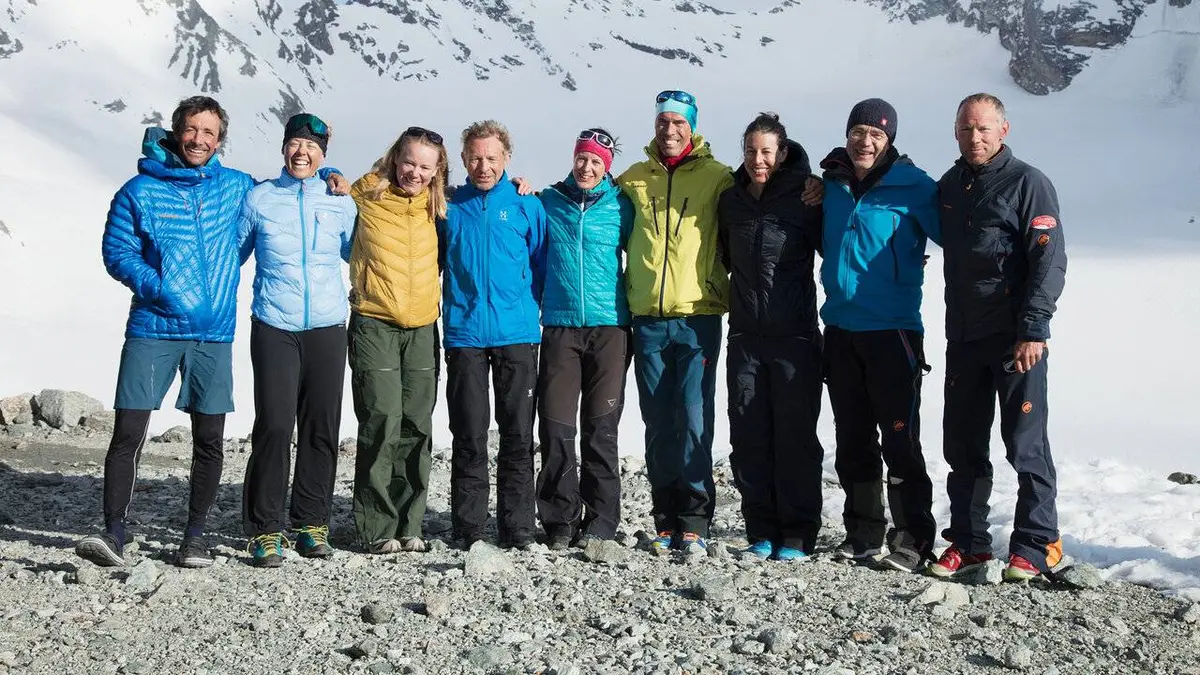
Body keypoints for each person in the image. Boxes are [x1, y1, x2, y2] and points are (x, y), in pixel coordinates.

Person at [77, 96, 347, 570]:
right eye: (191, 130)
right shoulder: (141, 191)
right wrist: (161, 287)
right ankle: (115, 532)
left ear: (220, 140)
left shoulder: (239, 187)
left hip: (215, 333)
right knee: (130, 432)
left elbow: (298, 190)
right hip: (156, 325)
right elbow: (118, 251)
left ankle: (197, 537)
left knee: (211, 440)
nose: (199, 139)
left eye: (209, 132)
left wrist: (331, 174)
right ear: (175, 132)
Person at [931, 93, 1068, 582]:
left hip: (1015, 339)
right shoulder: (949, 186)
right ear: (955, 131)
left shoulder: (1029, 183)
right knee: (963, 444)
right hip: (964, 336)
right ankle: (969, 544)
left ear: (1003, 130)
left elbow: (1049, 261)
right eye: (966, 128)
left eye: (984, 128)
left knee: (1024, 444)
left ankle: (1038, 543)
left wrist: (1033, 329)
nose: (975, 137)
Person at [819, 98, 941, 572]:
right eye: (858, 132)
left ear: (890, 140)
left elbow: (958, 234)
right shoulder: (831, 185)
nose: (865, 142)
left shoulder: (915, 186)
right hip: (841, 329)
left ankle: (913, 539)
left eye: (876, 134)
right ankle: (863, 533)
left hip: (893, 331)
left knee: (900, 439)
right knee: (852, 439)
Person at [237, 113, 357, 568]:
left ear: (323, 154)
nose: (302, 152)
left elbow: (357, 252)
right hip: (275, 324)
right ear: (284, 147)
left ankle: (311, 524)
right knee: (274, 424)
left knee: (321, 426)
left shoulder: (339, 201)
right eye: (295, 144)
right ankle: (265, 528)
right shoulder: (260, 199)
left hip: (327, 326)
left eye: (312, 147)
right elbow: (233, 254)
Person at [616, 90, 733, 553]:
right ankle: (665, 518)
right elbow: (592, 200)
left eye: (679, 122)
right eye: (663, 121)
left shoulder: (718, 177)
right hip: (647, 317)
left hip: (697, 316)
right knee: (658, 420)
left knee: (693, 416)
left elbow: (757, 199)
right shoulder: (633, 178)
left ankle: (696, 518)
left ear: (692, 126)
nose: (669, 130)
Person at [717, 113, 824, 562]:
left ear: (782, 153)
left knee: (795, 438)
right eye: (750, 151)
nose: (757, 160)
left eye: (766, 151)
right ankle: (760, 529)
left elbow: (835, 244)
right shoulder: (731, 200)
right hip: (745, 336)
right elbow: (724, 255)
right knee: (749, 435)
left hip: (795, 337)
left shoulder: (806, 196)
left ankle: (798, 532)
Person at [441, 120, 547, 549]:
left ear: (507, 158)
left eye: (491, 158)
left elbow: (540, 263)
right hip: (465, 334)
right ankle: (468, 528)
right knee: (469, 433)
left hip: (515, 334)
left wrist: (527, 309)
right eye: (475, 158)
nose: (483, 166)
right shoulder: (450, 207)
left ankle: (517, 527)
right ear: (463, 159)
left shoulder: (526, 205)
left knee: (518, 434)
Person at [347, 126, 447, 555]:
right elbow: (331, 199)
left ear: (437, 170)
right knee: (380, 419)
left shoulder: (438, 205)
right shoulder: (365, 195)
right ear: (395, 157)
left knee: (416, 425)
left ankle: (410, 525)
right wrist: (330, 176)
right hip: (375, 322)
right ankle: (376, 527)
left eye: (425, 166)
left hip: (422, 326)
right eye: (409, 162)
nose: (415, 173)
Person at [535, 128, 634, 550]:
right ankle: (559, 520)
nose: (587, 167)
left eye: (596, 161)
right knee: (556, 424)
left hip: (610, 327)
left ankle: (601, 522)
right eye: (582, 158)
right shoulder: (549, 201)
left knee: (600, 427)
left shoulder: (621, 205)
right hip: (560, 325)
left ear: (606, 167)